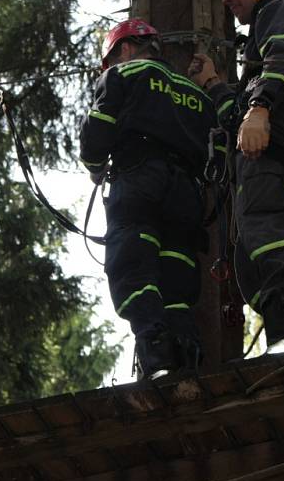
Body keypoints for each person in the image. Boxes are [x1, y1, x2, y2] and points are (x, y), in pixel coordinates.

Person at [188, 0, 284, 354]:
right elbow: (236, 117)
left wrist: (261, 108)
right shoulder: (257, 51)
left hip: (272, 149)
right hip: (257, 157)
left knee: (265, 233)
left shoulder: (281, 10)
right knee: (247, 263)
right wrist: (213, 84)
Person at [79, 19, 217, 380]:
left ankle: (156, 354)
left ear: (123, 49)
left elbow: (99, 126)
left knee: (133, 262)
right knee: (176, 271)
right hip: (186, 193)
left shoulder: (124, 75)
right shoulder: (196, 94)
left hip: (139, 178)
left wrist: (95, 165)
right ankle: (186, 351)